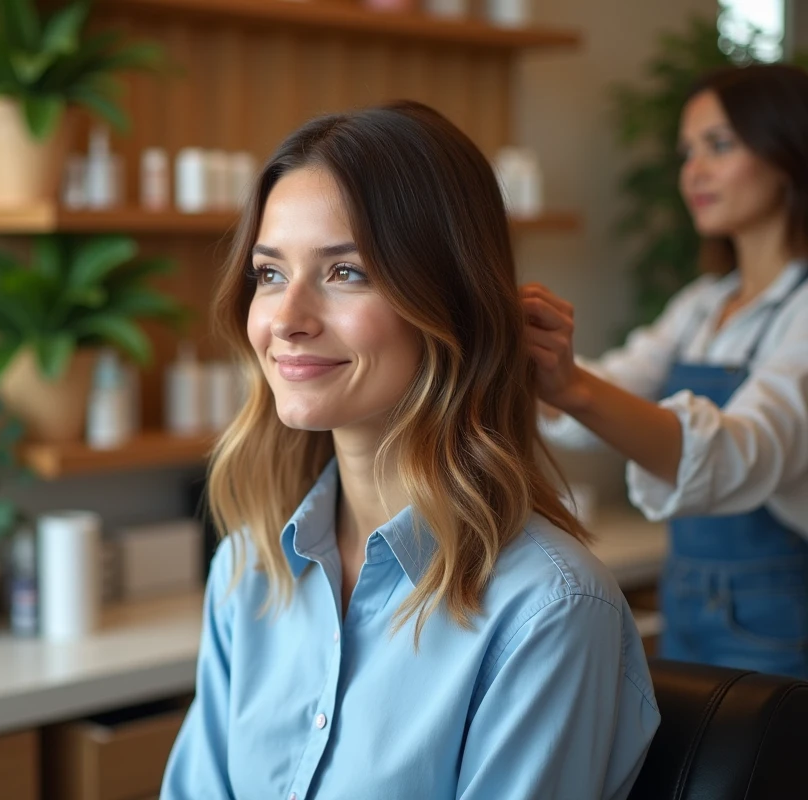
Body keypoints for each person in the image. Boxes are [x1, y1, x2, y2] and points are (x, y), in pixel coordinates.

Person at [161, 101, 658, 800]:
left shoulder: (550, 610)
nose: (288, 320)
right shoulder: (248, 571)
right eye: (270, 274)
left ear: (449, 301)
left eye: (345, 273)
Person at [524, 63, 808, 678]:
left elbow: (742, 452)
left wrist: (570, 385)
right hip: (686, 603)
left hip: (781, 620)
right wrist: (527, 367)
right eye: (687, 153)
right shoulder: (702, 304)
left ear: (787, 150)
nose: (692, 173)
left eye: (719, 146)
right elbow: (609, 391)